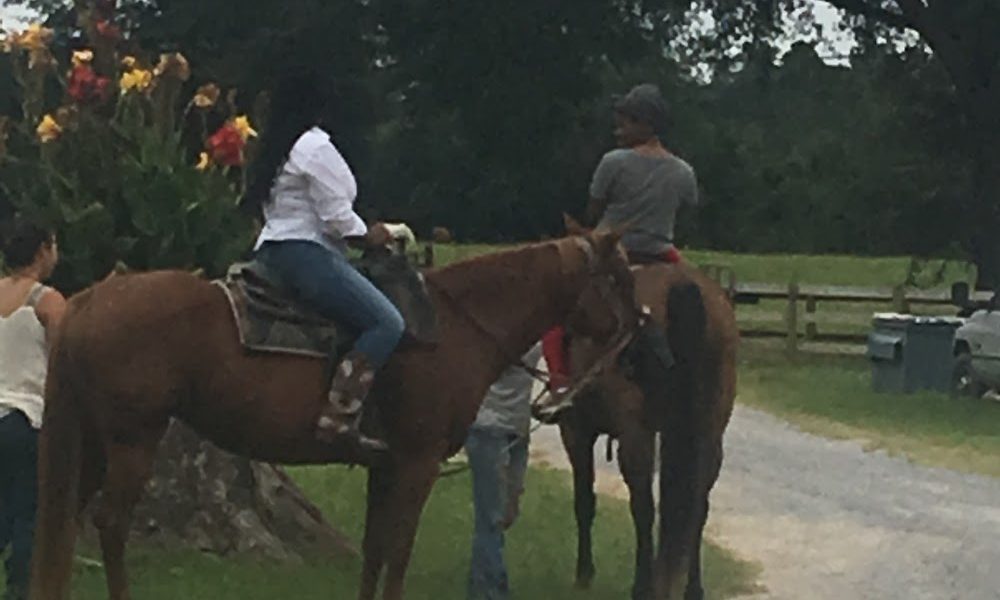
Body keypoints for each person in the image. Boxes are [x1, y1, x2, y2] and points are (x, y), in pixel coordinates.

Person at [243, 70, 404, 451]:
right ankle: (339, 417)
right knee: (387, 323)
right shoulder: (314, 147)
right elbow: (336, 218)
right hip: (306, 254)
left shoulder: (275, 149)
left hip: (270, 250)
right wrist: (372, 235)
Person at [542, 83, 696, 413]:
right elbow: (686, 209)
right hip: (660, 252)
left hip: (610, 252)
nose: (618, 130)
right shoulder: (683, 171)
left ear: (646, 125)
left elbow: (593, 212)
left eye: (625, 122)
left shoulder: (614, 162)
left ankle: (559, 382)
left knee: (556, 315)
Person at [0, 217, 66, 600]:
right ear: (42, 251)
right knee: (27, 510)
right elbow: (65, 359)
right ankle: (20, 589)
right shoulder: (47, 300)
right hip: (26, 418)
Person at [466, 343, 543, 600]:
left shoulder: (534, 329)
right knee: (491, 517)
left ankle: (482, 579)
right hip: (488, 430)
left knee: (507, 513)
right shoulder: (499, 332)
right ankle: (489, 592)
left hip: (517, 430)